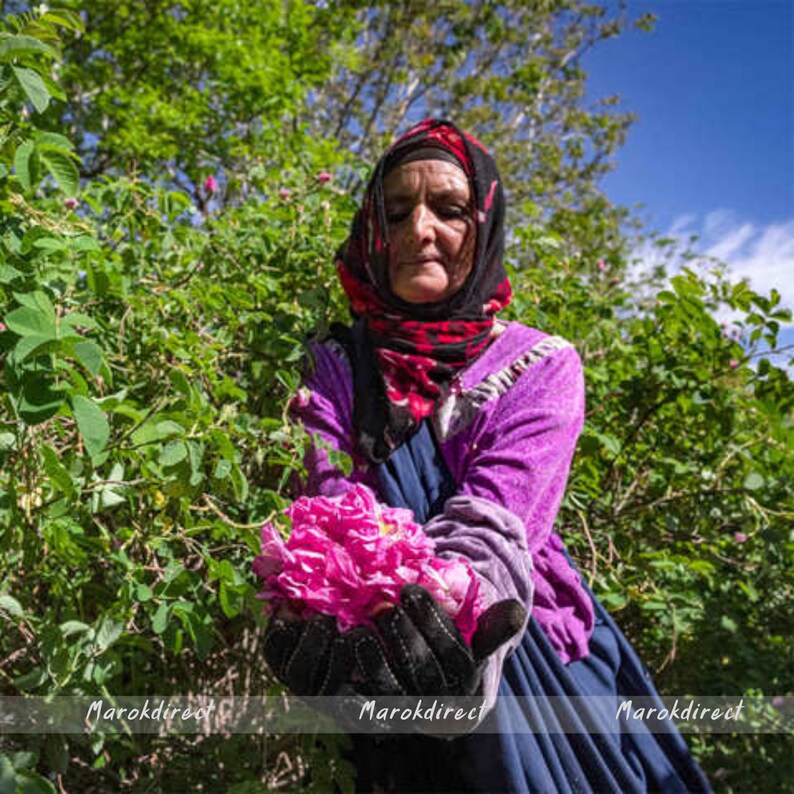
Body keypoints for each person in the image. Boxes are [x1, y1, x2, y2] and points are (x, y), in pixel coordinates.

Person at [262, 119, 712, 793]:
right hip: (381, 655)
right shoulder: (330, 368)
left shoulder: (539, 364)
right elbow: (328, 518)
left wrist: (449, 628)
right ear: (371, 235)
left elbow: (497, 522)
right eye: (395, 212)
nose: (419, 231)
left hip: (514, 655)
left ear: (486, 224)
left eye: (449, 209)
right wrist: (320, 613)